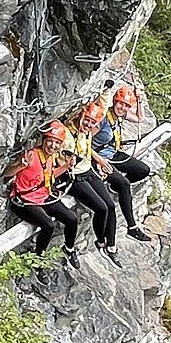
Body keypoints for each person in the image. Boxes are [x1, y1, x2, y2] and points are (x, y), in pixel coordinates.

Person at [4, 122, 84, 267]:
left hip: (42, 195)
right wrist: (19, 166)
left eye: (57, 143)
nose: (53, 145)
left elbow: (49, 177)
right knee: (48, 225)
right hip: (24, 200)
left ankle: (69, 248)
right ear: (44, 140)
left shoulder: (50, 157)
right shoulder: (31, 155)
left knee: (71, 219)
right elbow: (6, 174)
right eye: (50, 141)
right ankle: (38, 260)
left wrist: (66, 167)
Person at [85, 88, 154, 242]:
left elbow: (139, 118)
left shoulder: (120, 115)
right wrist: (100, 161)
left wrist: (139, 100)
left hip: (113, 154)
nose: (122, 108)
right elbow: (85, 142)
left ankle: (113, 186)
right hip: (98, 159)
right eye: (120, 104)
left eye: (126, 105)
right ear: (114, 102)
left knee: (143, 170)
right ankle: (132, 227)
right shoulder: (103, 118)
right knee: (124, 183)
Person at [61, 107, 121, 265]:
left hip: (87, 170)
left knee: (110, 205)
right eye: (87, 120)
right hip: (73, 176)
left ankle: (112, 246)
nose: (88, 124)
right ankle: (101, 242)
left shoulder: (86, 132)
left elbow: (86, 150)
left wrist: (98, 163)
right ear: (80, 117)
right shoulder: (68, 133)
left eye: (92, 122)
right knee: (101, 208)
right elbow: (70, 153)